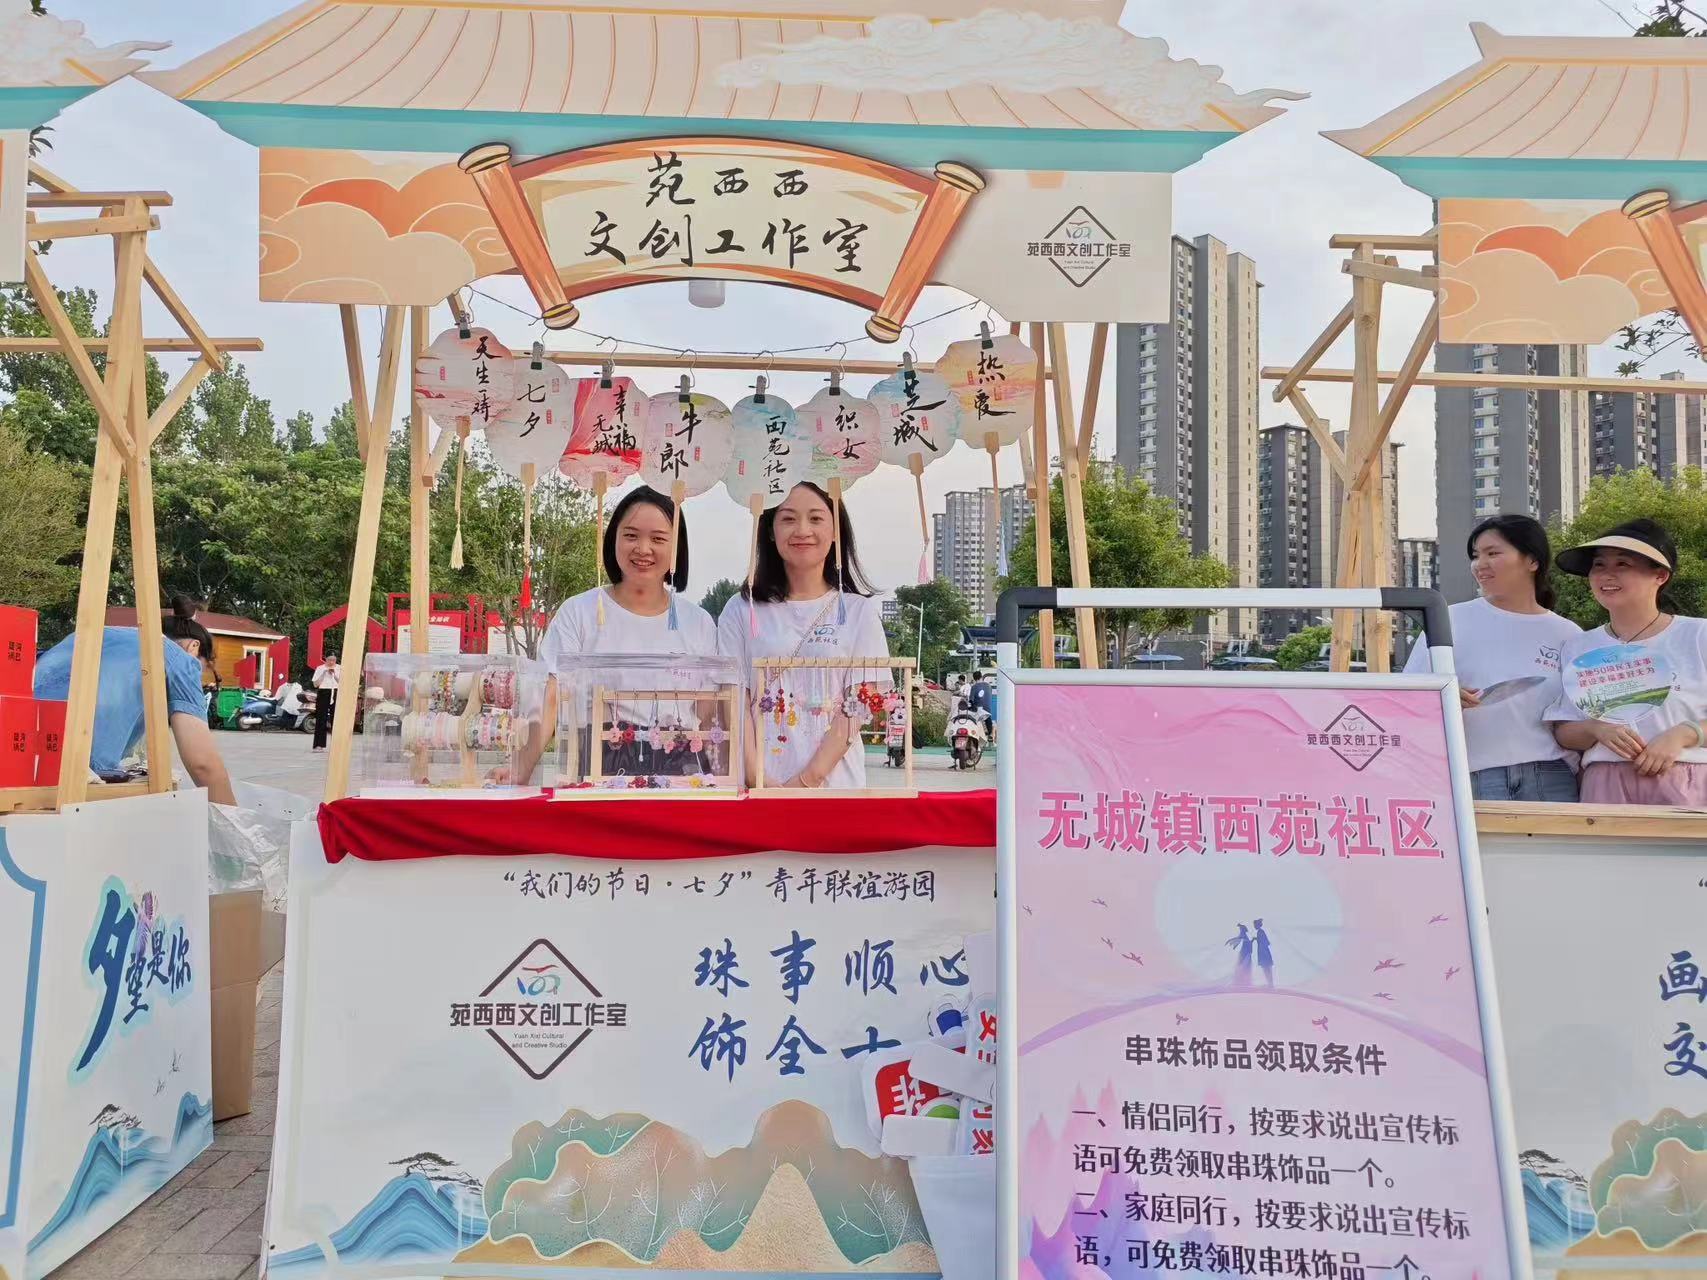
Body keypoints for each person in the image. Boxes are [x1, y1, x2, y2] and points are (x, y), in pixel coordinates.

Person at [518, 486, 717, 782]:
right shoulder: (578, 612)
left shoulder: (698, 622)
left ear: (677, 547)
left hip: (681, 769)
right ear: (613, 538)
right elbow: (552, 697)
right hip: (601, 767)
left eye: (658, 539)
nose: (643, 549)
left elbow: (710, 710)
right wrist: (519, 769)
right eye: (631, 535)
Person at [718, 481, 888, 789]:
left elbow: (858, 705)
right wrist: (757, 777)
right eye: (788, 518)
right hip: (759, 791)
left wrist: (807, 780)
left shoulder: (858, 612)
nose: (802, 530)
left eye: (816, 518)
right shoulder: (741, 609)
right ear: (770, 530)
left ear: (835, 530)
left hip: (836, 790)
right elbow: (734, 699)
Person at [1404, 515, 1582, 802]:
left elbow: (1578, 715)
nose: (1480, 564)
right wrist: (1443, 698)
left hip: (1550, 777)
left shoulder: (1567, 634)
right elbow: (1407, 698)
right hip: (1470, 776)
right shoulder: (1448, 621)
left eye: (1493, 553)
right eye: (1476, 556)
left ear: (1532, 561)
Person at [1547, 518, 1707, 805]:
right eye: (1599, 565)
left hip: (1688, 781)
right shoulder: (1578, 646)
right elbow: (1565, 731)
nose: (1607, 575)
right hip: (1604, 784)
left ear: (1660, 576)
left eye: (1622, 564)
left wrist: (1684, 734)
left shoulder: (1698, 635)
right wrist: (1596, 729)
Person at [33, 595, 236, 805]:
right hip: (72, 776)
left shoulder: (89, 635)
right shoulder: (178, 658)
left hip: (22, 759)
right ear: (194, 647)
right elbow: (203, 764)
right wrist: (234, 821)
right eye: (202, 668)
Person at [310, 652, 340, 750]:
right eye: (329, 660)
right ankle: (319, 744)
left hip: (336, 692)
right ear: (325, 659)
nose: (331, 662)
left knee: (336, 719)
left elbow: (343, 683)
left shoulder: (339, 668)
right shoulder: (320, 668)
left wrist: (334, 674)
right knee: (321, 718)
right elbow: (315, 684)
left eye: (333, 660)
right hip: (323, 692)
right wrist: (324, 673)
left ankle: (337, 745)